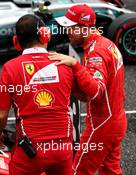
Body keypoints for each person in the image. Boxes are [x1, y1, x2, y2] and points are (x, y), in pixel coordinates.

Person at [0, 14, 74, 175]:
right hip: (63, 149)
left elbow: (0, 116)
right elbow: (87, 95)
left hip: (30, 151)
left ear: (16, 41)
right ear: (45, 35)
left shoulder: (10, 68)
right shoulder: (65, 63)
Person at [50, 4, 127, 175]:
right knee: (111, 171)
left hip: (102, 125)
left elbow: (96, 91)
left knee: (78, 172)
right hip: (115, 121)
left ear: (84, 28)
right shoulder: (106, 44)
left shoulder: (96, 53)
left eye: (71, 27)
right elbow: (88, 95)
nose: (67, 31)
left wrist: (76, 66)